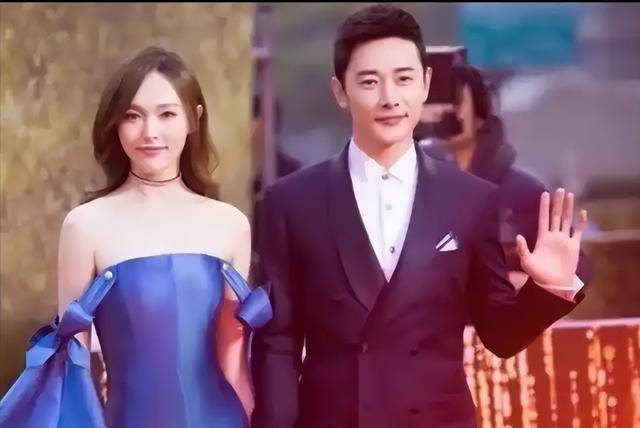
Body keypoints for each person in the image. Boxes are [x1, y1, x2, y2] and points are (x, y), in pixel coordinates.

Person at [250, 5, 588, 428]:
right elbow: (277, 344)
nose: (390, 98)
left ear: (426, 83)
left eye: (404, 78)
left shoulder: (471, 199)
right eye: (369, 82)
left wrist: (550, 288)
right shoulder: (291, 202)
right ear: (340, 91)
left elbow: (500, 335)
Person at [2, 47, 271, 428]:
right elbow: (73, 363)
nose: (150, 132)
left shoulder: (229, 224)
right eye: (132, 116)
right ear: (115, 125)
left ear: (193, 119)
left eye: (166, 114)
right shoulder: (86, 224)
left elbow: (233, 352)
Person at [418, 64, 592, 288]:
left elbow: (574, 268)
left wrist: (532, 285)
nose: (440, 113)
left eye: (454, 102)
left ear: (480, 115)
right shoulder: (408, 189)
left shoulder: (524, 194)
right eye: (432, 102)